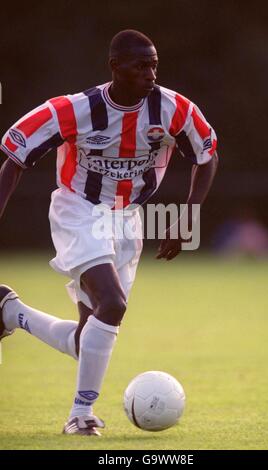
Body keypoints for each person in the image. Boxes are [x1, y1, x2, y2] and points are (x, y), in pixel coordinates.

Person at [0, 30, 218, 436]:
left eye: (154, 64)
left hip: (127, 219)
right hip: (78, 210)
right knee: (114, 303)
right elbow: (14, 155)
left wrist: (188, 215)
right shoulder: (74, 109)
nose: (151, 73)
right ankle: (80, 415)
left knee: (88, 341)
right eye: (140, 65)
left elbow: (207, 155)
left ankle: (10, 312)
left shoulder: (174, 110)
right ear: (115, 68)